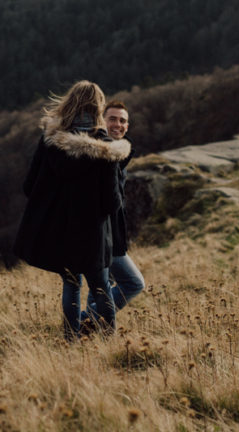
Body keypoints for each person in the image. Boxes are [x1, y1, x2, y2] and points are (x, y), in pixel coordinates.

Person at [13, 81, 131, 340]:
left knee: (71, 285)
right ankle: (107, 341)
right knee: (101, 288)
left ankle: (70, 339)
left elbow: (29, 185)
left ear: (70, 103)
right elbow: (112, 203)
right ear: (98, 106)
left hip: (61, 231)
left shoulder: (50, 140)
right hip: (94, 233)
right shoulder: (105, 148)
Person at [83, 101, 145, 321]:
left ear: (127, 126)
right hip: (100, 237)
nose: (118, 124)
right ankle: (80, 322)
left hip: (111, 236)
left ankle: (86, 334)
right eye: (112, 118)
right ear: (102, 120)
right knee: (133, 283)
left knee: (100, 289)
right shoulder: (98, 154)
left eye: (123, 120)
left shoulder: (118, 155)